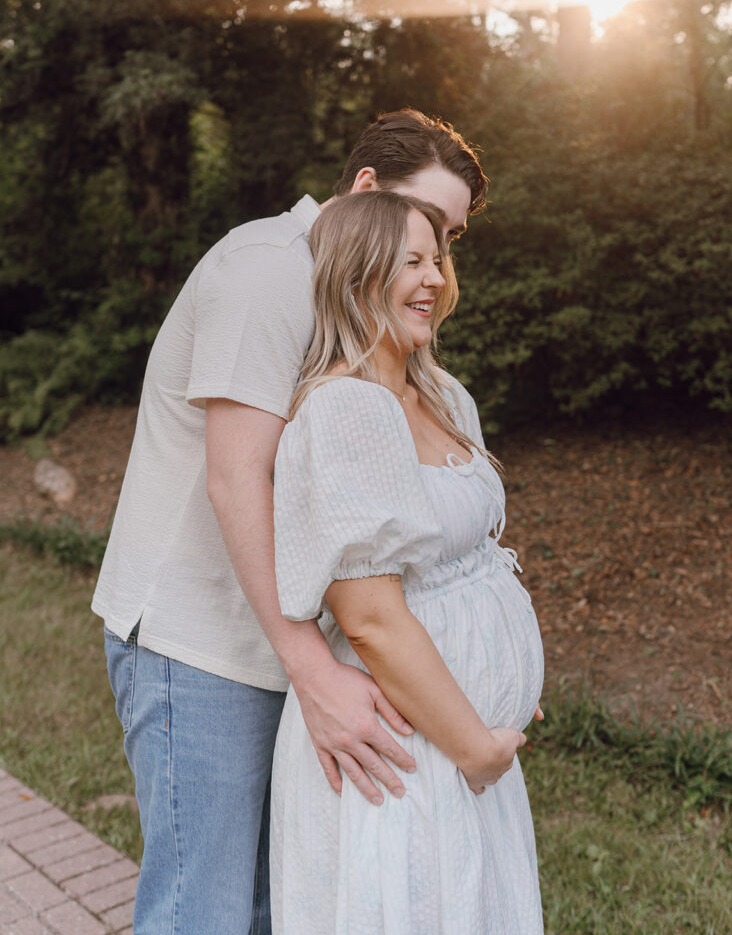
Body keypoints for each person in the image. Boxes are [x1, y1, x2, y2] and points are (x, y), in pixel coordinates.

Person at [91, 110, 490, 934]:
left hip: (289, 642)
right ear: (368, 188)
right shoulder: (268, 269)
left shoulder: (359, 305)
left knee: (283, 905)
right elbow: (238, 476)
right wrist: (315, 670)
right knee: (202, 910)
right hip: (201, 644)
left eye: (448, 238)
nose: (438, 258)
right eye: (426, 223)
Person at [270, 190, 545, 933]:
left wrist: (506, 681)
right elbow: (371, 620)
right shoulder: (343, 411)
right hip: (412, 746)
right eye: (412, 262)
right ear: (357, 278)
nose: (435, 279)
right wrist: (478, 747)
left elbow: (473, 562)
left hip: (465, 734)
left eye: (439, 259)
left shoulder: (443, 394)